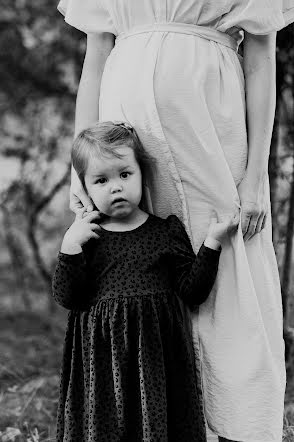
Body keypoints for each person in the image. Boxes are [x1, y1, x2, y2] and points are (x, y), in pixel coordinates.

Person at [56, 1, 294, 441]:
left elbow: (261, 57)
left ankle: (242, 427)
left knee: (230, 263)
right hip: (126, 140)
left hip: (210, 126)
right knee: (135, 271)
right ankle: (147, 419)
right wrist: (80, 167)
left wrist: (256, 174)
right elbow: (95, 59)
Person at [52, 121, 239, 441]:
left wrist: (212, 242)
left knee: (158, 426)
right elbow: (68, 297)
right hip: (103, 364)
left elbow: (192, 291)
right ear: (84, 186)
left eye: (125, 174)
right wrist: (69, 247)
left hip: (157, 360)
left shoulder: (165, 231)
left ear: (142, 173)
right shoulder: (88, 237)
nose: (116, 187)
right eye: (101, 180)